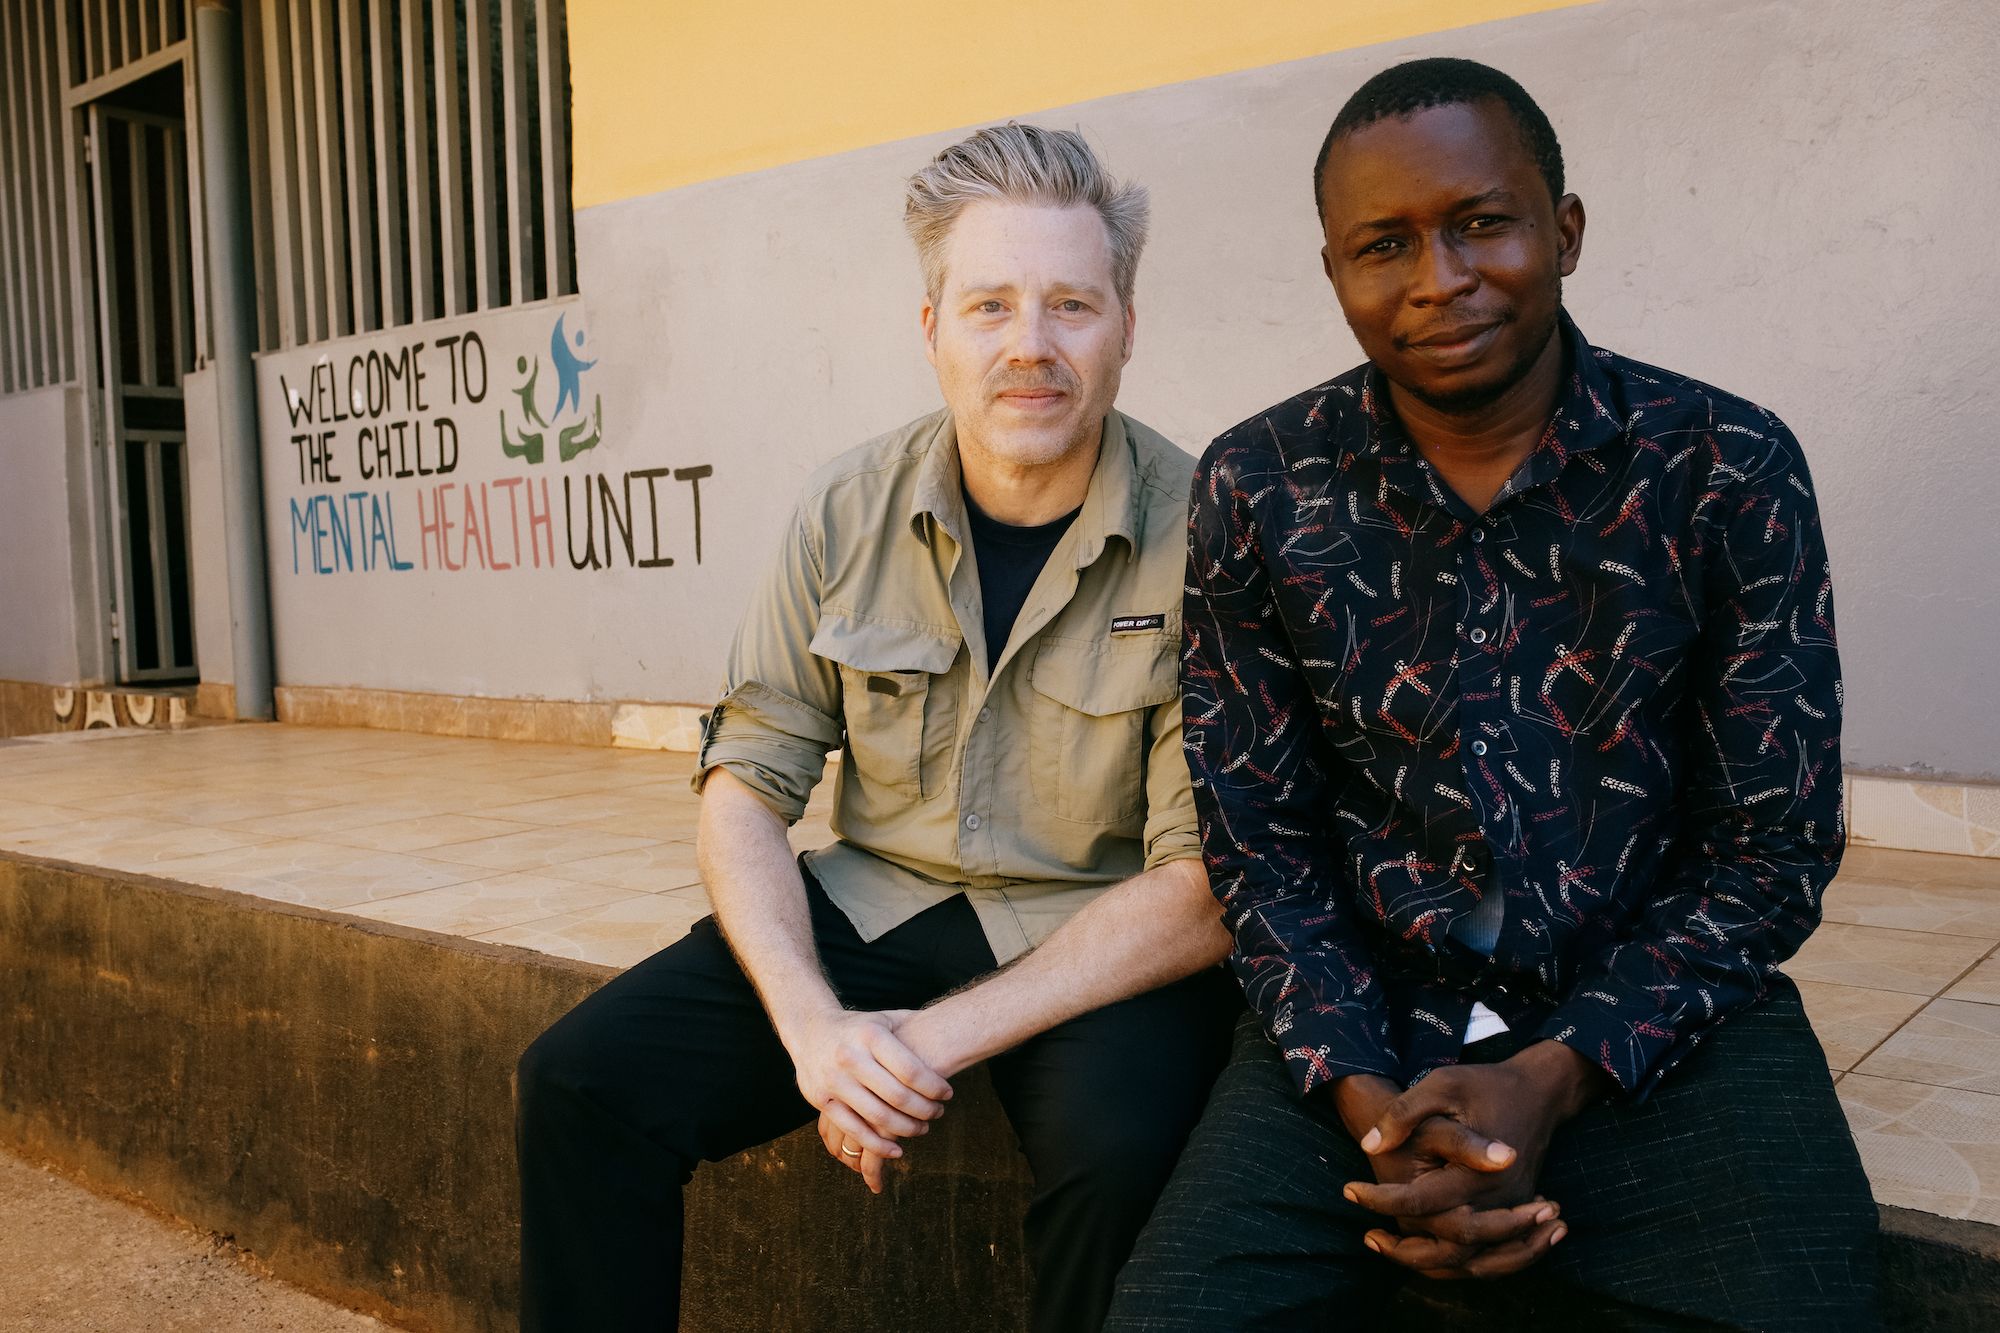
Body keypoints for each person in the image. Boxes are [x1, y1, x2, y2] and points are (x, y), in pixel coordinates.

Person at [1107, 58, 1878, 1331]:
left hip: (1657, 1023)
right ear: (1333, 272)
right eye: (1382, 244)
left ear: (1561, 231)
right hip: (1361, 1021)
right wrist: (1368, 1105)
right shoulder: (1260, 484)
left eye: (1480, 223)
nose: (1437, 279)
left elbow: (1770, 844)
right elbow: (1260, 846)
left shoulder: (1723, 465)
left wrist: (1554, 1072)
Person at [515, 123, 1238, 1333]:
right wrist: (812, 1027)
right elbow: (745, 781)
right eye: (989, 305)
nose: (1029, 347)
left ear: (1125, 328)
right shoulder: (843, 507)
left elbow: (1200, 888)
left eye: (1071, 304)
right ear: (930, 329)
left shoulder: (1209, 533)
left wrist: (909, 1051)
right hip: (879, 904)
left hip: (1096, 931)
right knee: (581, 1082)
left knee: (1127, 1162)